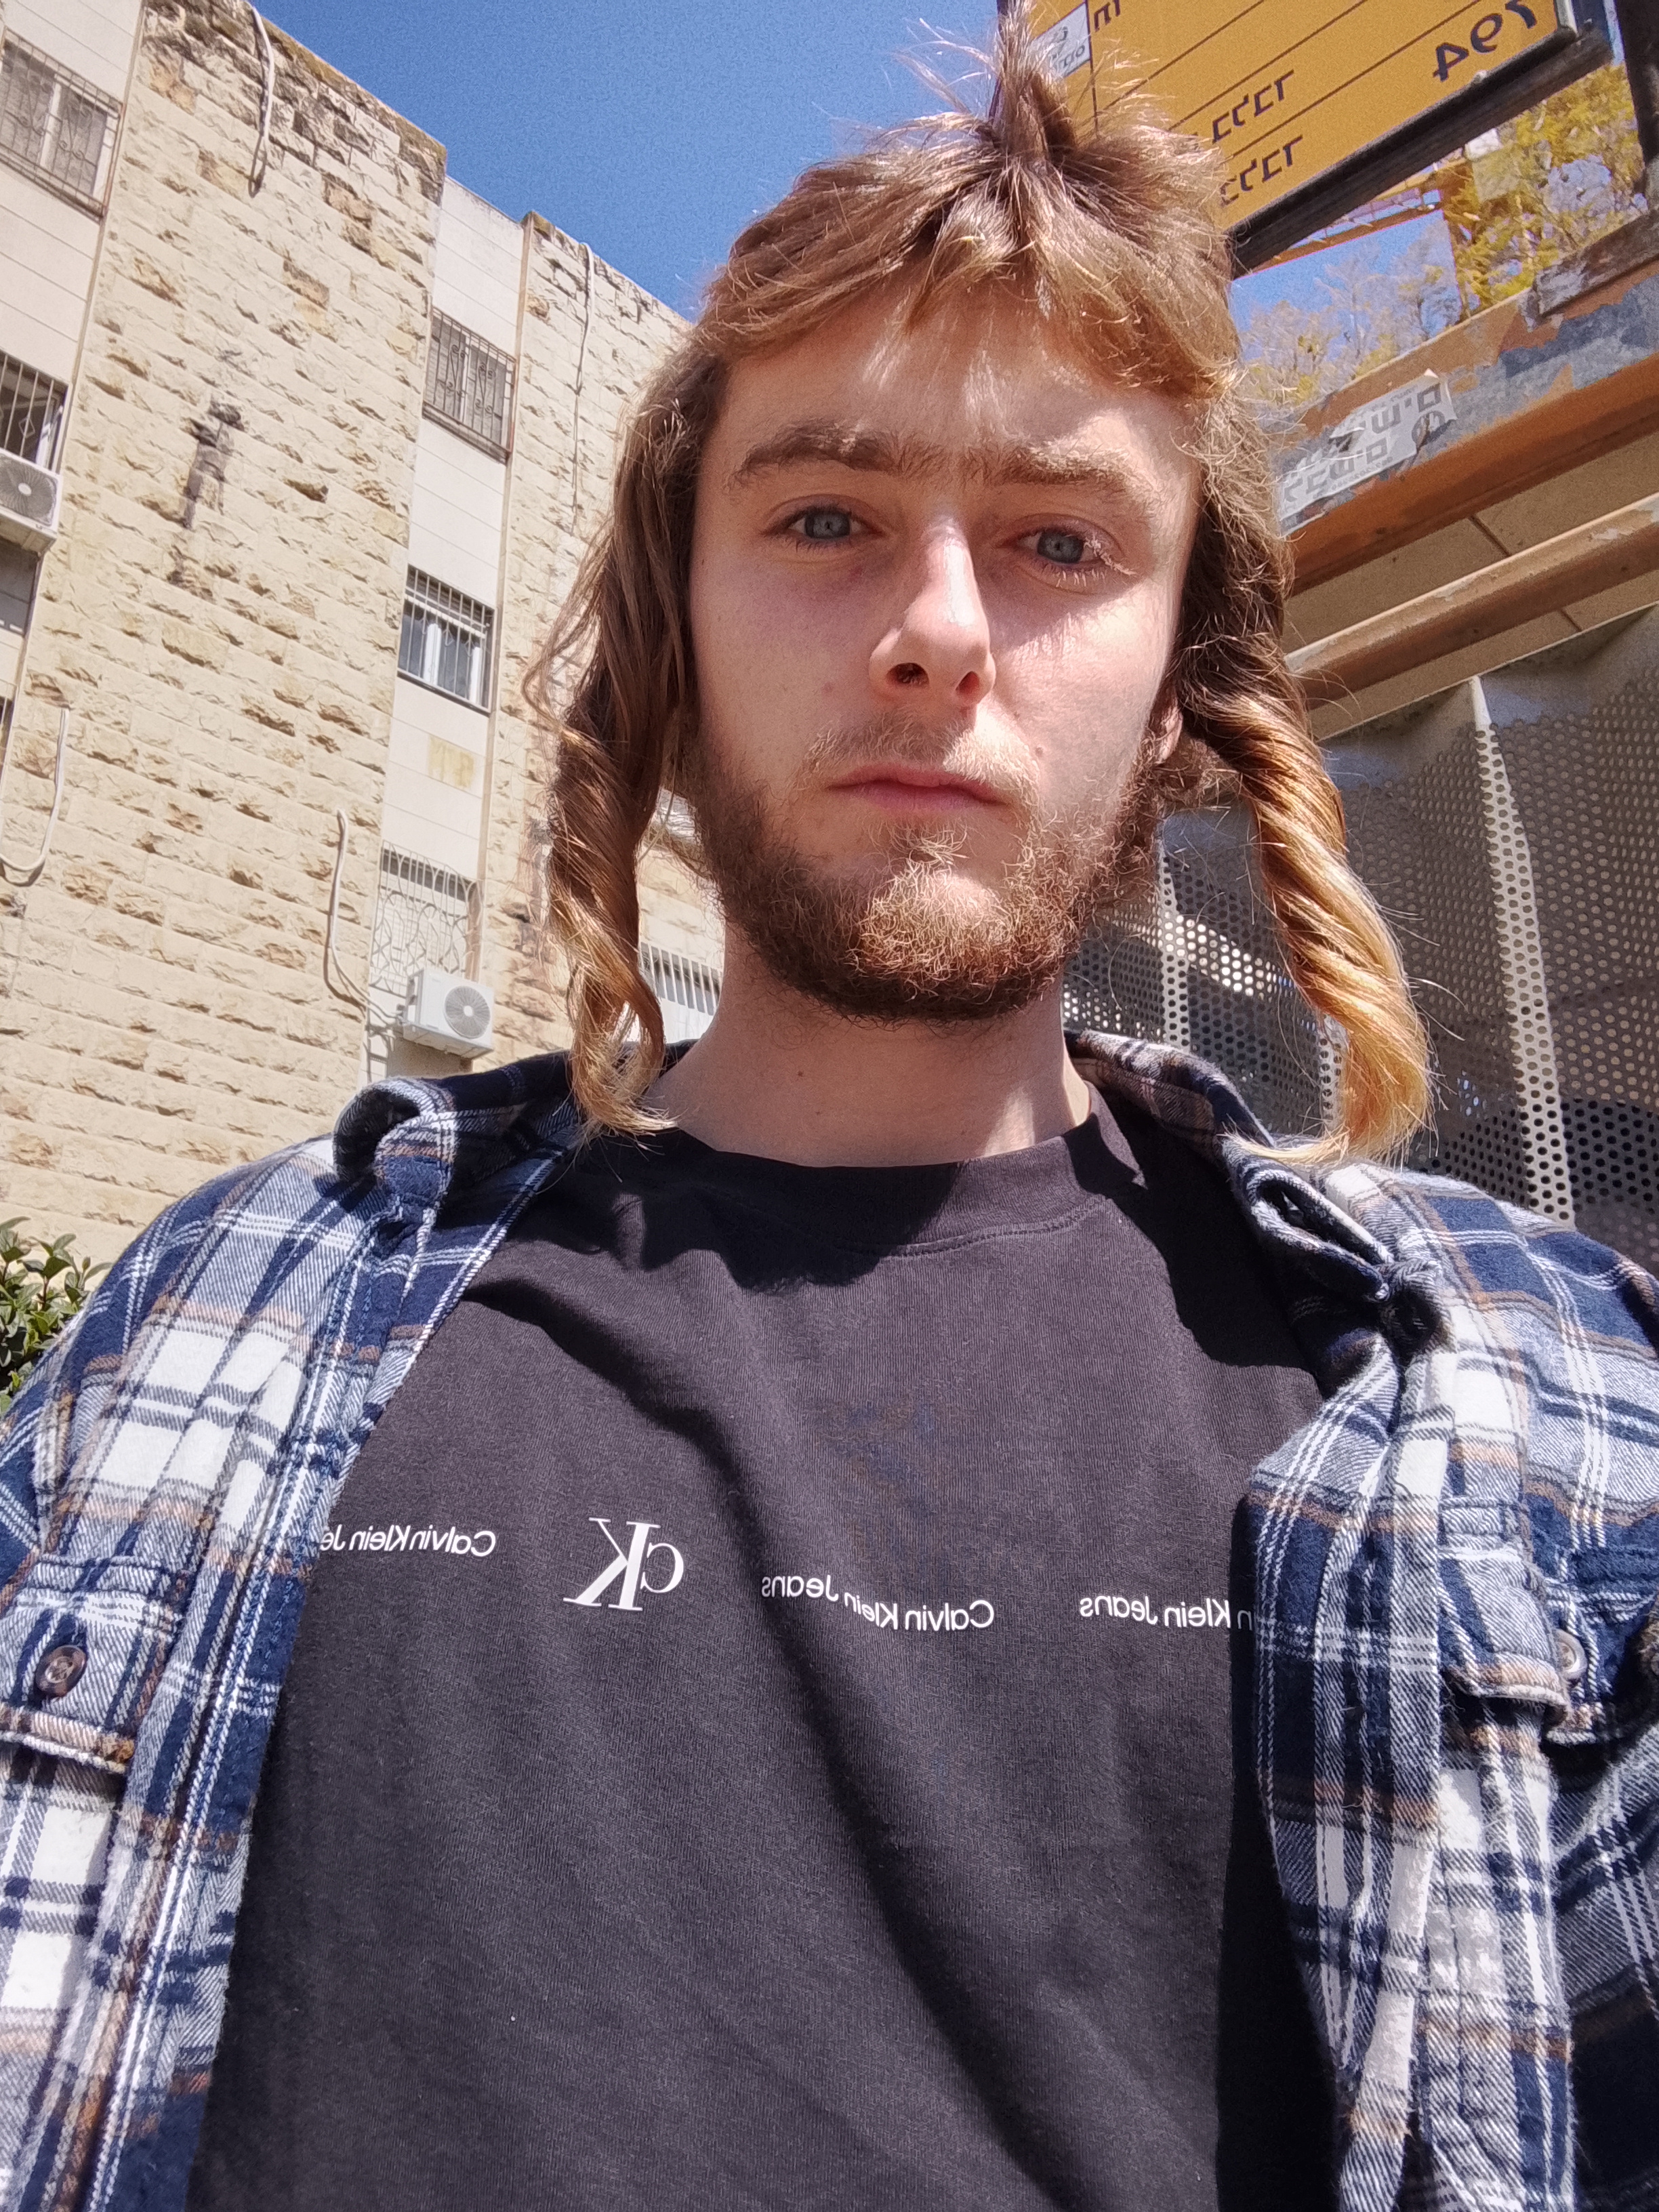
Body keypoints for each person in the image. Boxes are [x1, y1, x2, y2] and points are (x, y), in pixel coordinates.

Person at [0, 16, 1655, 2211]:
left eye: (1060, 540)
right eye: (824, 516)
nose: (937, 630)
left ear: (1184, 694)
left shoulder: (1540, 1403)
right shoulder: (218, 1318)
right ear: (671, 643)